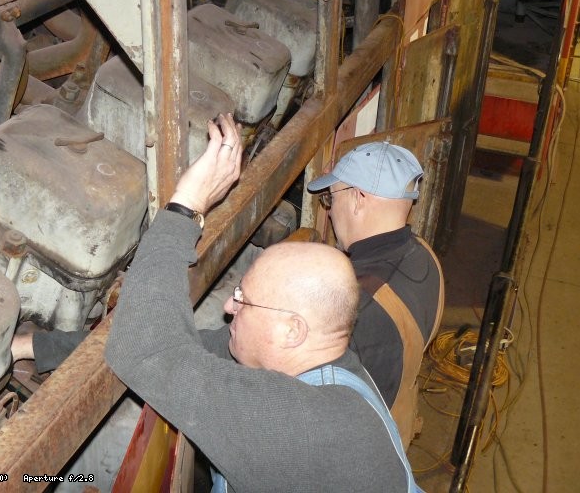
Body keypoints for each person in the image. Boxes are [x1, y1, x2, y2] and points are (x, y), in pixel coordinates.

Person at [104, 114, 420, 492]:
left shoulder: (297, 426)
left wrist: (185, 206)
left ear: (292, 329)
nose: (228, 307)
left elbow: (144, 351)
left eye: (243, 300)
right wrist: (39, 347)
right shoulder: (331, 362)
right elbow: (185, 345)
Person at [307, 140, 444, 446]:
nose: (328, 213)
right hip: (397, 426)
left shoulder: (357, 306)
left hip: (358, 453)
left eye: (330, 198)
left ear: (359, 198)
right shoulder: (423, 255)